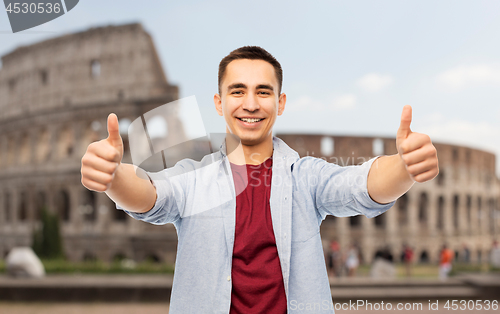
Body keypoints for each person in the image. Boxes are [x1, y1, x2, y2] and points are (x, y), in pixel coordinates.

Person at [81, 46, 439, 313]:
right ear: (219, 103)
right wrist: (113, 176)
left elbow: (360, 186)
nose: (250, 104)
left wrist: (404, 167)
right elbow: (151, 195)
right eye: (237, 91)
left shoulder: (305, 177)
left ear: (280, 103)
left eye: (263, 92)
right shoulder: (195, 179)